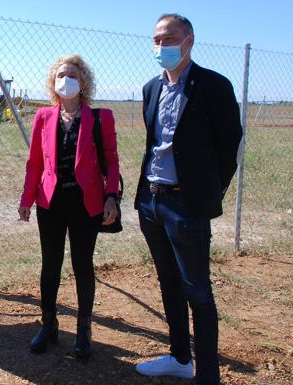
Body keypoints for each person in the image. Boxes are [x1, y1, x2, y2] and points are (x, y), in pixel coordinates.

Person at [134, 14, 242, 385]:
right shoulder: (151, 88)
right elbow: (154, 146)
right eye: (157, 39)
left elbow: (230, 146)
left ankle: (207, 375)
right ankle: (180, 357)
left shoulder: (213, 86)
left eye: (170, 38)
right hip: (152, 203)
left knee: (197, 289)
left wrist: (209, 191)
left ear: (189, 40)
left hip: (187, 206)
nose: (162, 46)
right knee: (168, 283)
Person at [18, 54, 120, 359]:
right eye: (61, 74)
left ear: (83, 81)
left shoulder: (101, 117)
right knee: (50, 265)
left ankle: (83, 331)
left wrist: (111, 195)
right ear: (53, 82)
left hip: (85, 204)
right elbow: (35, 163)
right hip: (49, 203)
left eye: (72, 74)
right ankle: (48, 325)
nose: (66, 79)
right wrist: (26, 199)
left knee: (82, 265)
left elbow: (112, 161)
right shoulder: (44, 117)